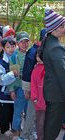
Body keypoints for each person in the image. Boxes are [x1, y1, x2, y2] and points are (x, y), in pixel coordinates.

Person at [39, 9, 65, 140]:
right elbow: (63, 75)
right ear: (55, 28)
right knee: (52, 129)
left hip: (52, 91)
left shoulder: (48, 42)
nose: (64, 28)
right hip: (58, 94)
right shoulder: (56, 47)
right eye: (62, 26)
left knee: (50, 125)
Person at [20, 28, 46, 140]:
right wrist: (27, 89)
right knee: (31, 114)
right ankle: (25, 135)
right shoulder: (33, 52)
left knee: (38, 116)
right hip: (33, 90)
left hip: (42, 92)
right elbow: (26, 73)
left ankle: (31, 133)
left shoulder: (43, 49)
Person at [0, 37, 17, 136]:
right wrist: (12, 74)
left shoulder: (16, 59)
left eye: (12, 46)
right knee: (5, 112)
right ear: (3, 48)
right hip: (4, 93)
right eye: (8, 47)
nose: (11, 49)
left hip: (15, 92)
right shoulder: (1, 63)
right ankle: (4, 129)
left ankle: (13, 128)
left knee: (13, 111)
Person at [9, 32, 30, 140]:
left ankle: (27, 130)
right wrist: (11, 90)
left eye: (26, 41)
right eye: (22, 42)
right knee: (18, 111)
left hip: (30, 88)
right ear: (17, 43)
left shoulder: (30, 53)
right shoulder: (14, 56)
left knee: (28, 111)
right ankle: (16, 131)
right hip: (19, 88)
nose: (24, 44)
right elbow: (13, 74)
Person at [31, 52, 46, 140]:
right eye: (37, 55)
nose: (39, 57)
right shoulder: (36, 69)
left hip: (49, 101)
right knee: (40, 122)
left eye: (41, 55)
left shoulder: (51, 67)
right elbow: (33, 85)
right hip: (39, 102)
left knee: (49, 123)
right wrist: (35, 98)